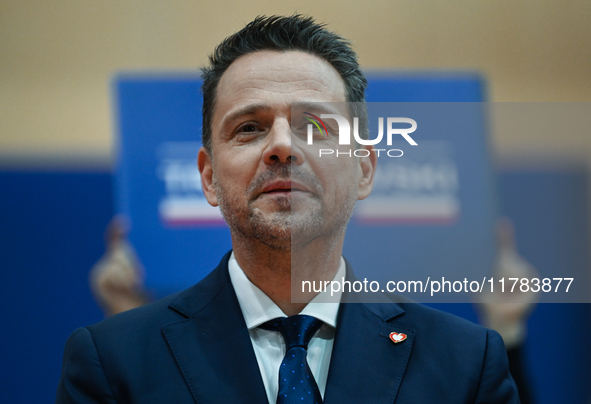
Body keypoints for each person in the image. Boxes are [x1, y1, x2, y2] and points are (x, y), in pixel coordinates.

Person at [56, 15, 520, 403]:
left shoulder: (466, 363)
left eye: (315, 126)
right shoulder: (113, 362)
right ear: (208, 177)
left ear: (363, 169)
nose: (282, 146)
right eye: (250, 127)